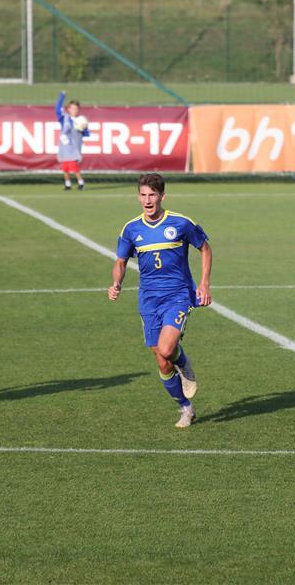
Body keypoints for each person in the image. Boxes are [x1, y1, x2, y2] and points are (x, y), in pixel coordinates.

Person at [108, 173, 213, 428]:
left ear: (162, 196)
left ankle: (184, 364)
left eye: (152, 195)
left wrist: (204, 283)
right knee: (161, 359)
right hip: (148, 300)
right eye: (143, 195)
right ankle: (186, 408)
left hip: (177, 295)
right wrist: (117, 283)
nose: (147, 200)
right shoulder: (131, 229)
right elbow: (121, 262)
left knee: (168, 349)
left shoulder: (180, 223)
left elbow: (205, 248)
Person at [56, 90, 90, 191]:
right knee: (65, 167)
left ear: (78, 110)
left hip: (74, 148)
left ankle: (81, 183)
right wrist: (62, 96)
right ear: (69, 109)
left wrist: (84, 129)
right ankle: (67, 184)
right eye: (72, 108)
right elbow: (57, 108)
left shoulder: (81, 120)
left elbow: (86, 133)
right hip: (64, 148)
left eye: (76, 108)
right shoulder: (64, 118)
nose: (74, 110)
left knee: (74, 167)